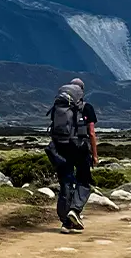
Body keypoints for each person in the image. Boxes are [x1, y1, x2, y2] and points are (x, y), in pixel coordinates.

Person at [45, 77, 99, 234]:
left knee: (66, 183)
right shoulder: (86, 107)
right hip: (79, 149)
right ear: (82, 91)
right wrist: (94, 155)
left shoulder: (57, 107)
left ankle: (65, 223)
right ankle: (75, 211)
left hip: (60, 148)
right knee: (84, 181)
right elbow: (91, 133)